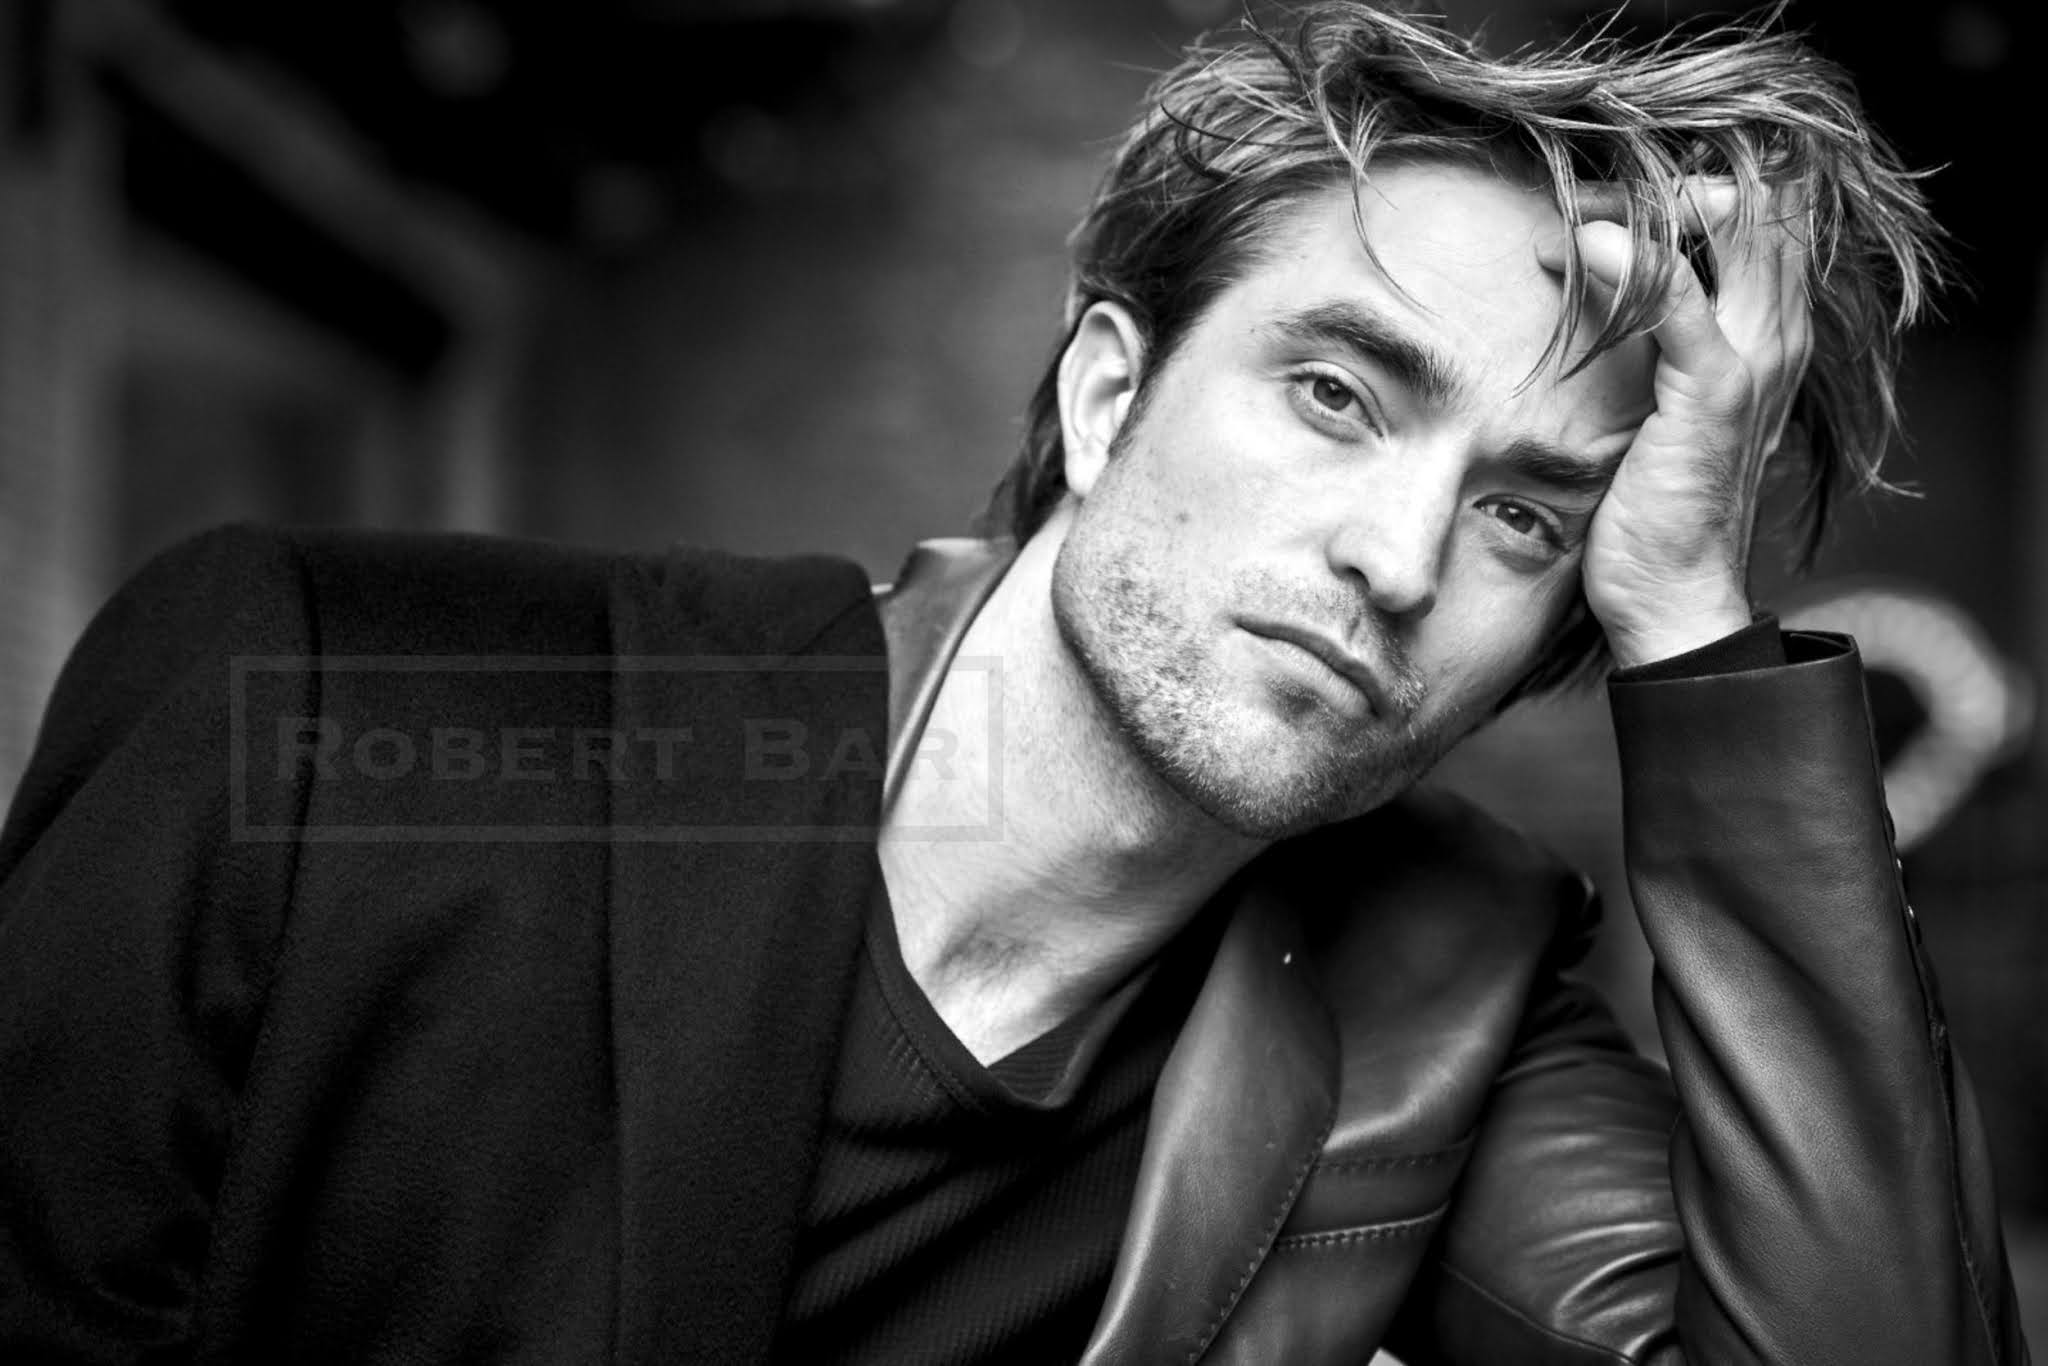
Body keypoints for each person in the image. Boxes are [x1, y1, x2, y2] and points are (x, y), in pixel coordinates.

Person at [0, 4, 2031, 1363]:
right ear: (1105, 392)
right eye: (1339, 394)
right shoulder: (318, 707)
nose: (1399, 555)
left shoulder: (1448, 1001)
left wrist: (1690, 624)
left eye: (1522, 517)